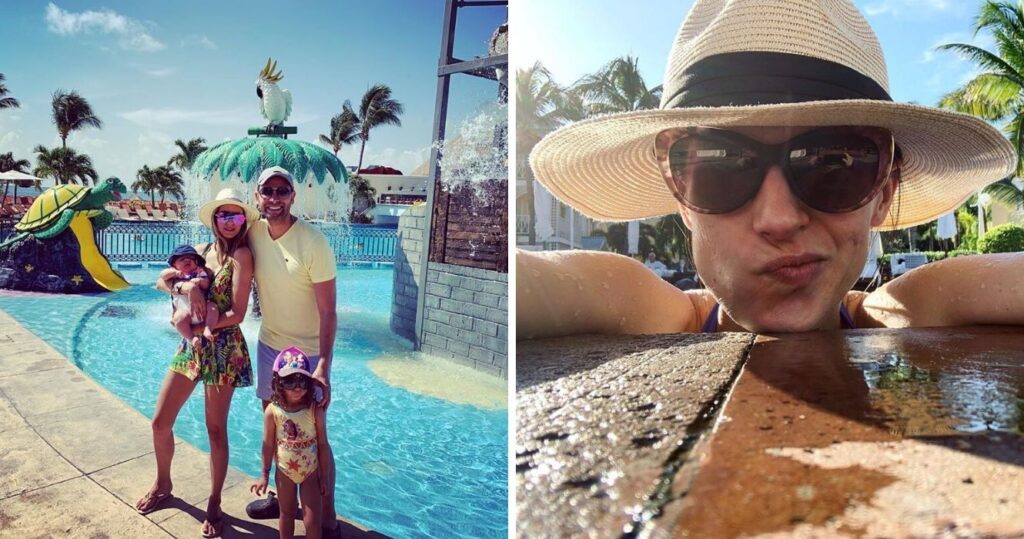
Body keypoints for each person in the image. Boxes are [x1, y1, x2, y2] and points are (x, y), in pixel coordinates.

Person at [518, 0, 1023, 340]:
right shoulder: (647, 303)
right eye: (722, 167)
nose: (779, 219)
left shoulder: (912, 305)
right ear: (679, 191)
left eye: (834, 164)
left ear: (883, 192)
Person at [135, 188, 260, 538]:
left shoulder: (243, 256)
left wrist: (199, 326)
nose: (230, 222)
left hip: (222, 349)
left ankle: (215, 502)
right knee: (160, 422)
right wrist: (185, 290)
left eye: (236, 216)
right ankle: (163, 485)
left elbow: (237, 313)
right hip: (191, 347)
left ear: (243, 220)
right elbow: (161, 280)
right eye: (224, 215)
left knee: (215, 430)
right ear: (214, 219)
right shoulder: (200, 252)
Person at [248, 165, 340, 537]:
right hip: (271, 345)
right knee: (275, 423)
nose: (274, 198)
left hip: (307, 354)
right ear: (257, 196)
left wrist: (323, 367)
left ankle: (326, 509)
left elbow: (328, 311)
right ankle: (280, 496)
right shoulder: (253, 231)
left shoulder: (313, 242)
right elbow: (216, 256)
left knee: (317, 430)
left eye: (281, 191)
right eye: (267, 191)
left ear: (293, 196)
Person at [251, 347, 329, 539]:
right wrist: (263, 474)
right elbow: (268, 444)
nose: (297, 387)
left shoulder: (314, 410)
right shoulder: (273, 411)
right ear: (278, 381)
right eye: (289, 381)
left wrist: (324, 475)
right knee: (286, 515)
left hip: (310, 472)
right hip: (284, 472)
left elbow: (322, 444)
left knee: (312, 521)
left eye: (302, 380)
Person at [161, 245, 217, 349]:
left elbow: (206, 284)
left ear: (196, 262)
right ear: (174, 264)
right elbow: (162, 276)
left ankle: (208, 328)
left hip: (202, 309)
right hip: (184, 311)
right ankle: (191, 338)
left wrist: (200, 281)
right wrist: (175, 272)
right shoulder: (175, 273)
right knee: (178, 318)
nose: (187, 260)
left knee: (213, 307)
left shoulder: (199, 272)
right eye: (182, 259)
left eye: (191, 258)